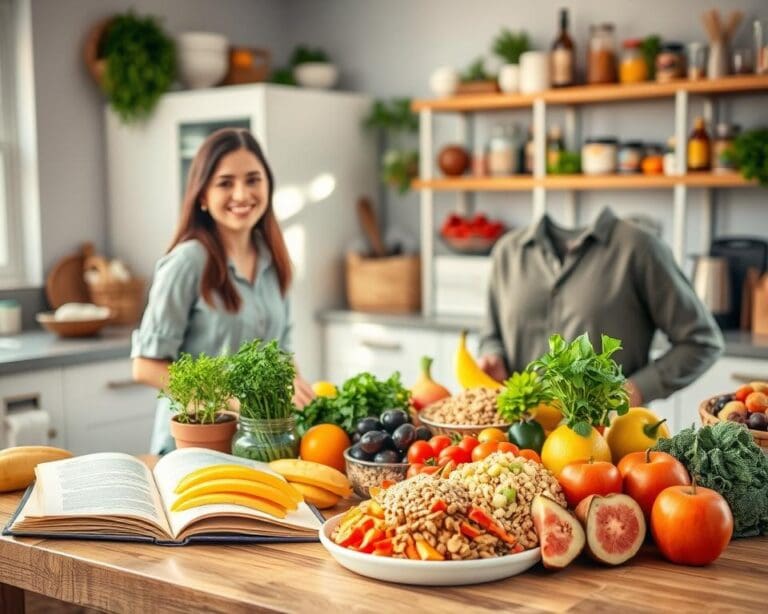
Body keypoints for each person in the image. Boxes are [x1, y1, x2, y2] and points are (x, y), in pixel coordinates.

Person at [131, 128, 314, 454]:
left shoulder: (274, 260)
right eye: (225, 183)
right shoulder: (187, 262)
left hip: (258, 444)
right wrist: (228, 399)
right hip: (193, 444)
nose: (242, 194)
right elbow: (145, 366)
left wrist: (296, 389)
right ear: (202, 195)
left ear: (268, 186)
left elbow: (282, 353)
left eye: (253, 179)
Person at [477, 207, 724, 406]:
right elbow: (491, 334)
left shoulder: (639, 249)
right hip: (516, 439)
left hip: (608, 442)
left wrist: (638, 388)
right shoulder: (507, 252)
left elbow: (702, 341)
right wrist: (492, 354)